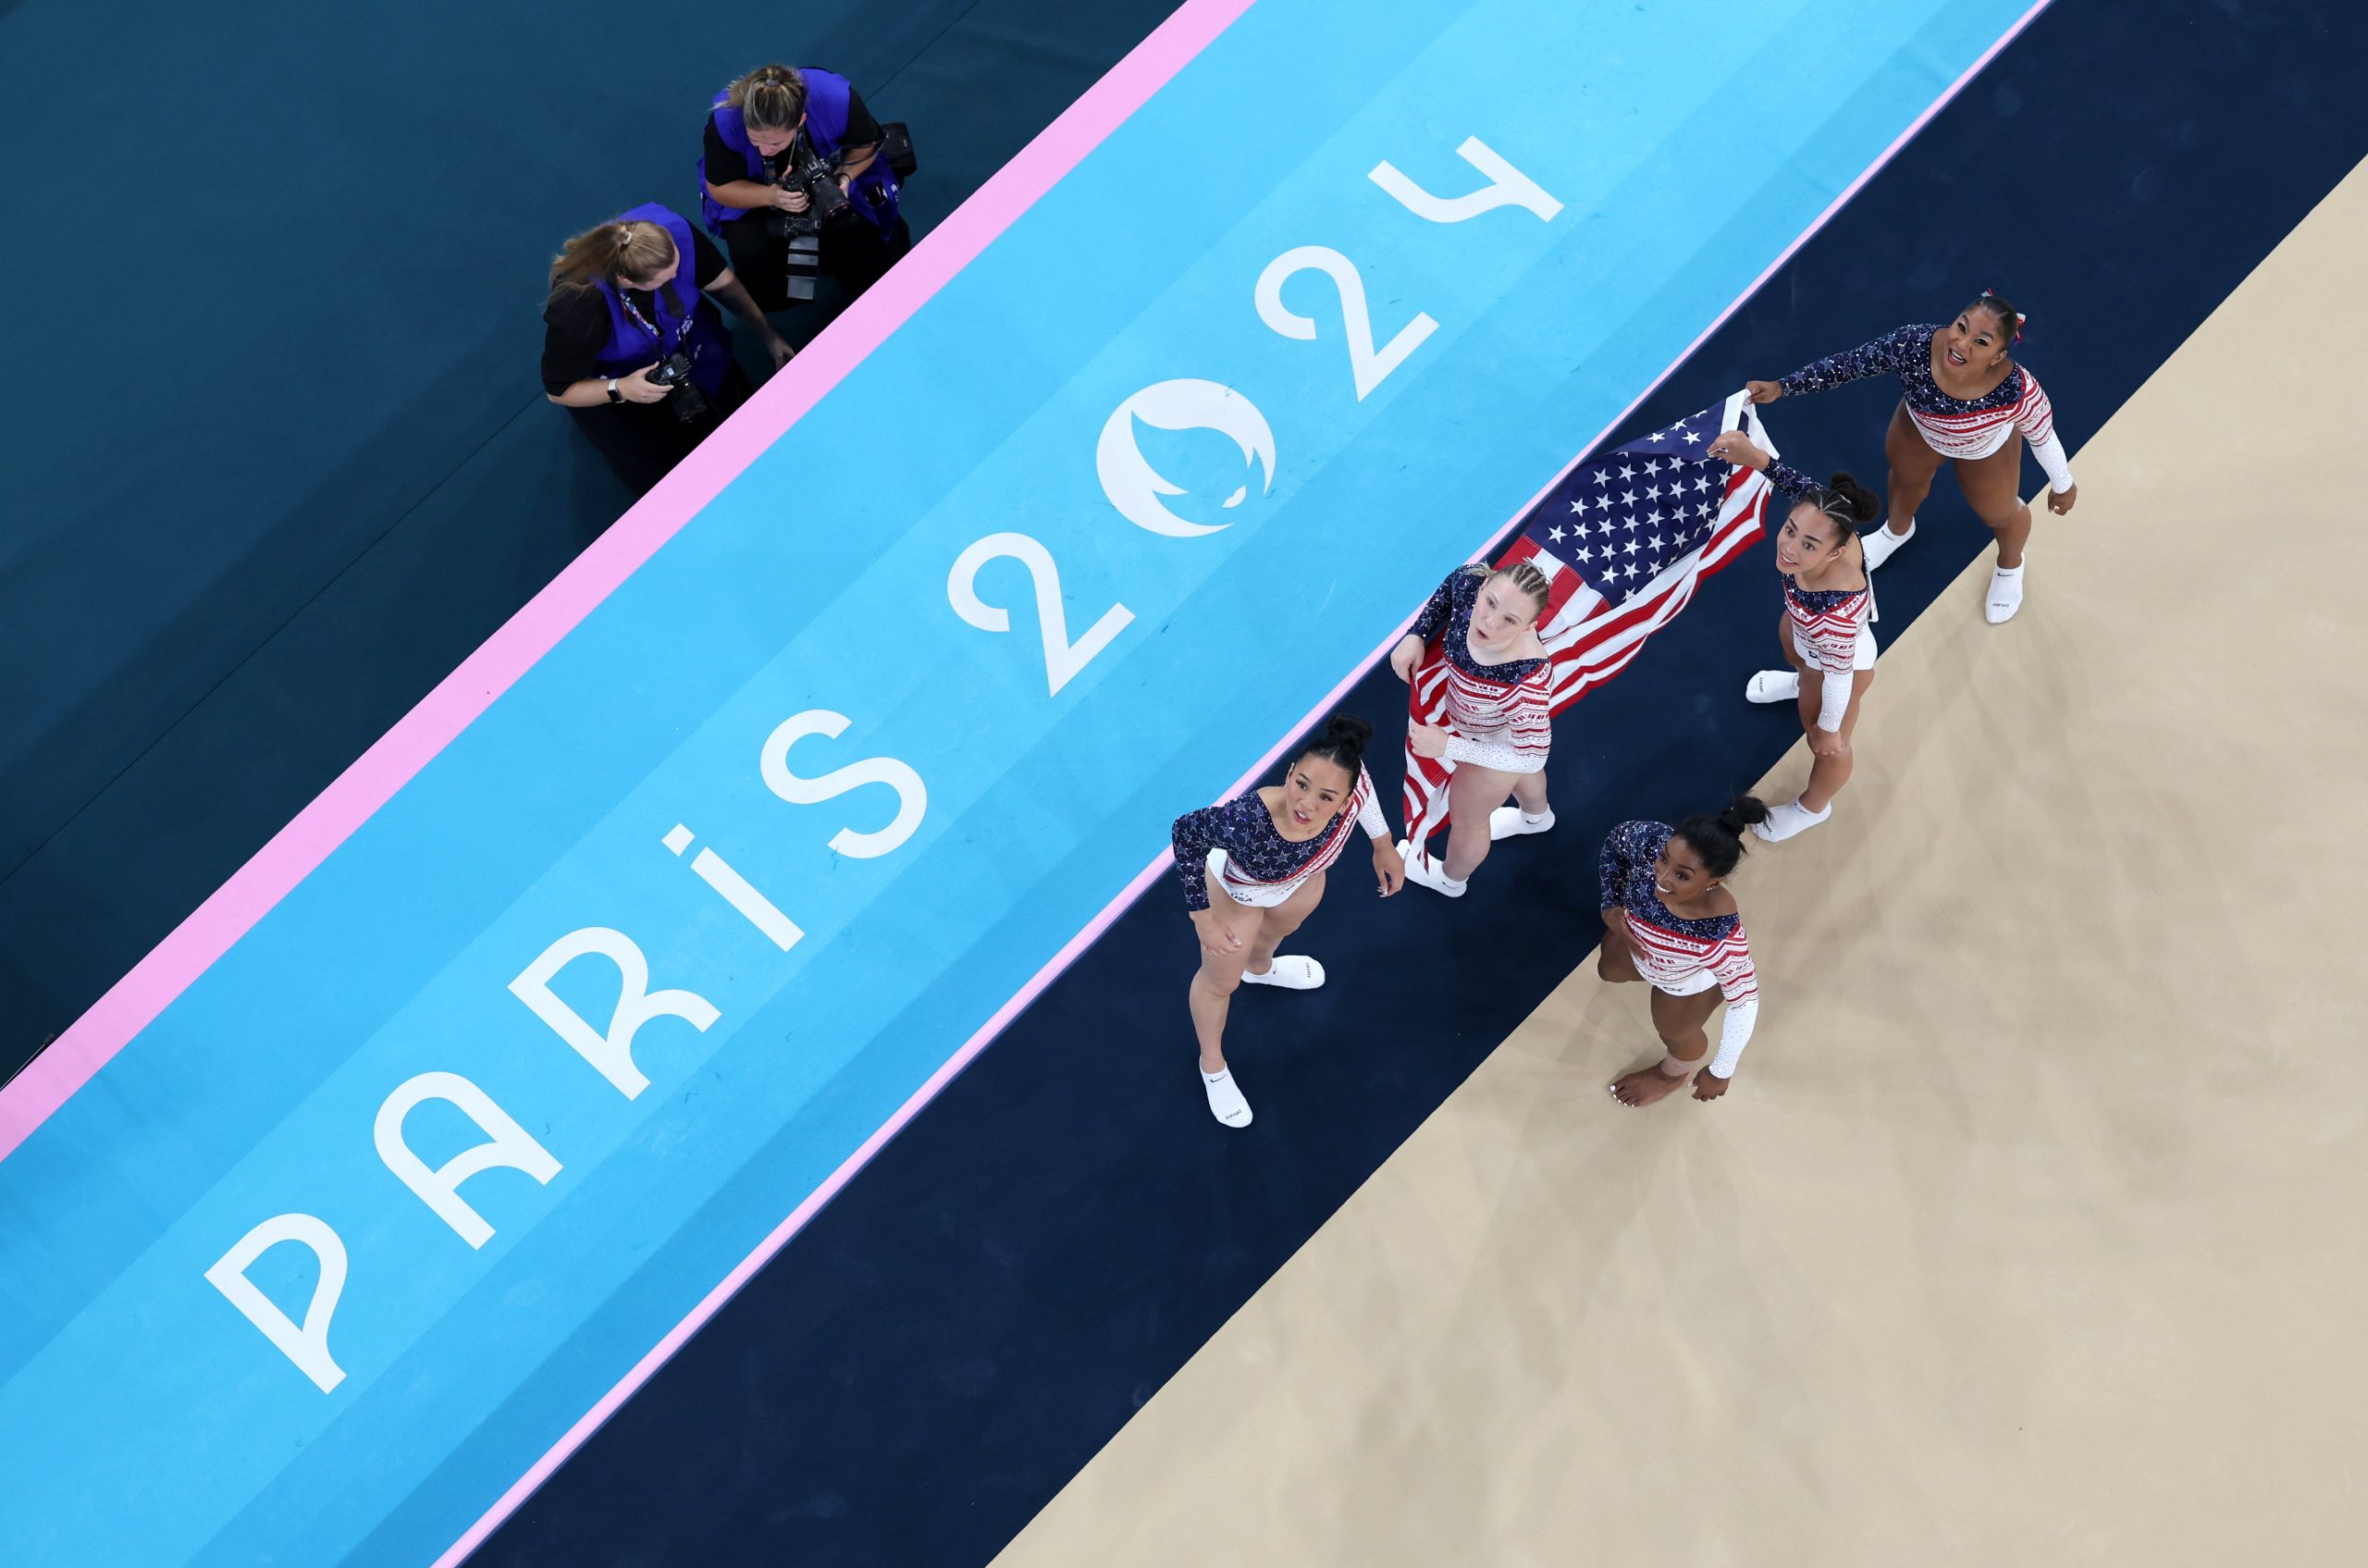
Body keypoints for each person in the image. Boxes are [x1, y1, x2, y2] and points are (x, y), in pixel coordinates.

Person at [1745, 290, 2078, 623]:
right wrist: (1783, 387)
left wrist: (2063, 483)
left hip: (1984, 449)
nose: (1961, 345)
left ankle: (2010, 565)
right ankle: (1897, 531)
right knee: (1905, 482)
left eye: (1981, 342)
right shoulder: (1913, 344)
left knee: (2000, 513)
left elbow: (2042, 436)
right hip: (1918, 428)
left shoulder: (2017, 391)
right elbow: (1848, 365)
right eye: (1961, 327)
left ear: (1997, 356)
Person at [1169, 717, 1406, 1128]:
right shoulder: (1245, 821)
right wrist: (1202, 917)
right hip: (1237, 894)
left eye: (1327, 797)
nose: (1307, 805)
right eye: (1302, 785)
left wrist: (1383, 844)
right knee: (1220, 983)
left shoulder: (1353, 781)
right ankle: (1213, 1065)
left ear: (1346, 800)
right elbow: (1184, 833)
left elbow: (1365, 791)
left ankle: (1261, 971)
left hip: (1301, 882)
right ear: (1291, 772)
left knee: (1279, 932)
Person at [541, 204, 791, 495]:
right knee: (668, 474)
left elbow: (724, 285)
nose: (678, 276)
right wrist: (620, 389)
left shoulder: (670, 233)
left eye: (677, 265)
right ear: (627, 281)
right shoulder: (578, 307)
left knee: (740, 413)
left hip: (683, 341)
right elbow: (558, 391)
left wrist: (768, 335)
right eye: (666, 278)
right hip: (621, 383)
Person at [1707, 430, 1878, 842]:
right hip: (1805, 633)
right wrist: (1756, 458)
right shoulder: (1832, 517)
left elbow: (1838, 677)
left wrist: (1830, 727)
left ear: (1836, 552)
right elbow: (1804, 491)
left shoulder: (1834, 611)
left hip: (1841, 663)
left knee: (1827, 746)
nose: (1790, 548)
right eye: (1789, 530)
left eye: (1808, 545)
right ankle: (1799, 679)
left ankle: (1813, 808)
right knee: (1793, 645)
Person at [1388, 562, 1555, 897]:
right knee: (1511, 786)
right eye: (1490, 602)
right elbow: (1452, 582)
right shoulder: (1469, 587)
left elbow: (1532, 756)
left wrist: (1449, 747)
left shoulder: (1525, 683)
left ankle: (1450, 880)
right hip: (1475, 724)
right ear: (1482, 589)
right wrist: (1416, 634)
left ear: (1528, 628)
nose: (1490, 623)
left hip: (1500, 743)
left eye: (1510, 620)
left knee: (1467, 819)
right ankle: (1537, 818)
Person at [699, 63, 910, 314]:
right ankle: (786, 298)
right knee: (751, 248)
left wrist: (844, 177)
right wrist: (771, 196)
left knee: (864, 221)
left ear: (801, 120)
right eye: (755, 140)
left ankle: (869, 278)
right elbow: (719, 188)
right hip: (754, 187)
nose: (764, 150)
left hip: (828, 169)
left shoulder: (835, 97)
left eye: (775, 142)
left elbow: (868, 144)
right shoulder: (725, 121)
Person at [1598, 802, 1767, 1108]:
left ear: (1713, 882)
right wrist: (1610, 905)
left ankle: (1671, 1074)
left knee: (1676, 1034)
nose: (1662, 876)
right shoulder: (1652, 842)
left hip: (1683, 982)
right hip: (1638, 947)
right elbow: (1615, 842)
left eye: (1683, 876)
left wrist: (1721, 1071)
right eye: (1664, 859)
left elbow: (1744, 1003)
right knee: (1607, 969)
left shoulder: (1717, 935)